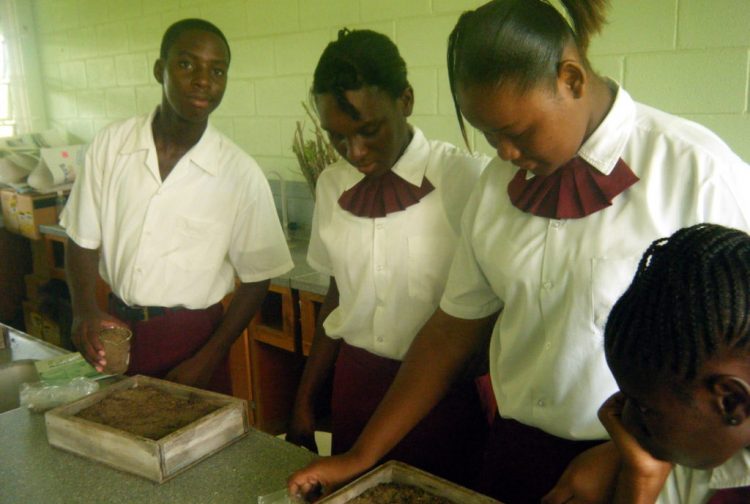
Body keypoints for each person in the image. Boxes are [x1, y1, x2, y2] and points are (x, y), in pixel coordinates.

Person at [288, 1, 750, 502]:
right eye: (487, 134)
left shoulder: (697, 173)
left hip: (641, 465)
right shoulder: (497, 187)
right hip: (514, 450)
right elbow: (451, 331)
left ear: (570, 79)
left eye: (516, 132)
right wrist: (363, 454)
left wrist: (622, 456)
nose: (504, 153)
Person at [283, 29, 490, 488]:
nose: (354, 152)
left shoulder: (466, 179)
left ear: (406, 100)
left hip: (440, 398)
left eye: (369, 130)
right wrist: (305, 396)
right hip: (355, 387)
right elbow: (338, 297)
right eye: (337, 137)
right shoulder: (332, 186)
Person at [61, 19, 292, 393]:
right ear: (159, 70)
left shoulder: (239, 172)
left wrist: (209, 357)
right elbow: (82, 237)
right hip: (117, 333)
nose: (204, 80)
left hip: (194, 342)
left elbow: (257, 276)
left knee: (199, 448)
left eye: (217, 71)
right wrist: (84, 309)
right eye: (187, 65)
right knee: (119, 442)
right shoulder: (112, 145)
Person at [598, 223, 750, 503]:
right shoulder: (705, 447)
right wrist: (639, 476)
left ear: (731, 401)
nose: (624, 420)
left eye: (644, 407)